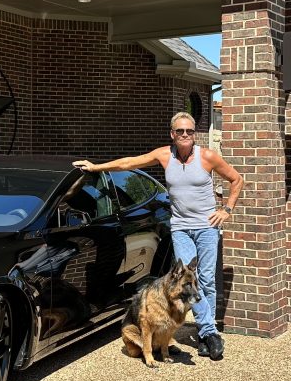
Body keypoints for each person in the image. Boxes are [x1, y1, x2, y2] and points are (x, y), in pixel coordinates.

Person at [73, 111, 243, 360]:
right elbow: (130, 163)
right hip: (181, 228)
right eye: (180, 131)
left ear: (194, 134)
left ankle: (206, 333)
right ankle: (207, 332)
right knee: (186, 279)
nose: (185, 135)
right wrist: (96, 167)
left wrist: (226, 210)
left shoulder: (207, 156)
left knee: (206, 280)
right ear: (172, 134)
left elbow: (236, 179)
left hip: (206, 227)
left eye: (190, 131)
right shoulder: (164, 155)